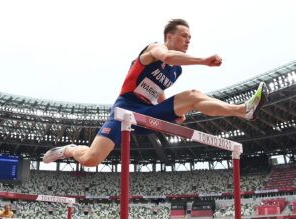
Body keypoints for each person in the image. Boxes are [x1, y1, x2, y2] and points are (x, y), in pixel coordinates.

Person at [43, 19, 269, 166]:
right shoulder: (154, 49)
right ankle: (70, 150)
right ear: (169, 37)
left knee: (192, 95)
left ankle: (243, 110)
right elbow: (167, 56)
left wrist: (176, 111)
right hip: (125, 109)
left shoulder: (176, 71)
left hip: (148, 113)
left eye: (190, 38)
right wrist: (203, 60)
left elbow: (159, 90)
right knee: (92, 160)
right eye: (184, 36)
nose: (188, 40)